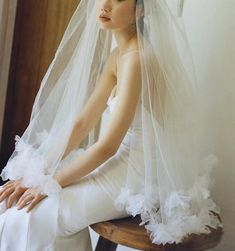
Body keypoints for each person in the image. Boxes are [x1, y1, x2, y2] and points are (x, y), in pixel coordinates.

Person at [0, 0, 223, 250]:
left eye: (117, 0)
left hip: (142, 173)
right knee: (12, 203)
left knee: (36, 214)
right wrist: (40, 172)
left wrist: (50, 182)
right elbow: (82, 122)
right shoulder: (119, 54)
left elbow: (108, 146)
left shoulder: (139, 59)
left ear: (141, 9)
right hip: (122, 159)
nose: (104, 6)